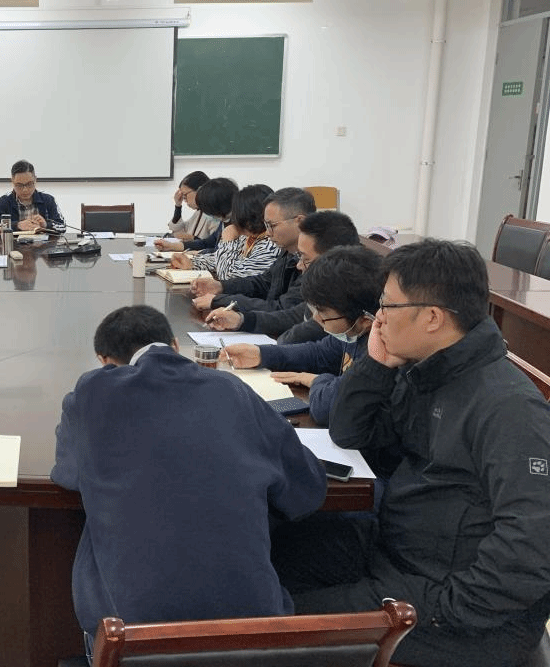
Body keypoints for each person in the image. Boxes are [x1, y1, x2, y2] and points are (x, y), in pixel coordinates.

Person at [272, 239, 550, 667]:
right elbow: (351, 432)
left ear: (433, 318)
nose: (378, 318)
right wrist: (375, 365)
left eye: (388, 306)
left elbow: (532, 543)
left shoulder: (508, 408)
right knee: (264, 557)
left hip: (457, 609)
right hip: (397, 553)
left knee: (268, 620)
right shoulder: (424, 371)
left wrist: (443, 609)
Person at [51, 304, 327, 658]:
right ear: (175, 346)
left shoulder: (90, 395)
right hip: (249, 639)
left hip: (133, 641)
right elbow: (307, 491)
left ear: (104, 361)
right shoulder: (232, 389)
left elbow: (68, 474)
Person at [222, 245, 381, 426]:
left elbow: (327, 407)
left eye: (323, 313)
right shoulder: (352, 331)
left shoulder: (379, 352)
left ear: (364, 320)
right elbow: (319, 353)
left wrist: (318, 380)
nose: (316, 318)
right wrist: (261, 354)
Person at [202, 210, 360, 343]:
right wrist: (241, 319)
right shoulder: (291, 254)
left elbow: (290, 319)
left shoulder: (349, 297)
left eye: (272, 225)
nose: (299, 266)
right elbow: (293, 314)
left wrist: (222, 301)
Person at [170, 183, 280, 280]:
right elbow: (220, 260)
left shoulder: (270, 246)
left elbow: (228, 276)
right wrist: (192, 263)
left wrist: (228, 241)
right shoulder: (249, 237)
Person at [156, 176, 237, 253]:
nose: (184, 199)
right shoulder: (224, 220)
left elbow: (224, 251)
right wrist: (172, 246)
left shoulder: (237, 224)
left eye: (185, 195)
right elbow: (207, 243)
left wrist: (200, 252)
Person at [0, 159, 64, 232]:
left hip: (43, 240)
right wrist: (17, 225)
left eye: (29, 184)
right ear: (12, 181)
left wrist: (46, 225)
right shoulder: (4, 201)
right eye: (19, 185)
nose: (25, 190)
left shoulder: (48, 200)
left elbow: (62, 227)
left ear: (35, 180)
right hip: (13, 240)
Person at [165, 170, 215, 241]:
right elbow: (179, 231)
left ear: (199, 190)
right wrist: (178, 205)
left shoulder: (214, 215)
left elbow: (216, 244)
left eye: (185, 195)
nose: (184, 199)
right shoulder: (199, 212)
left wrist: (192, 238)